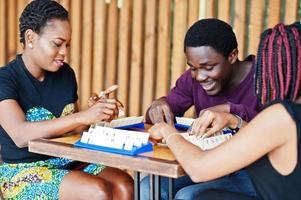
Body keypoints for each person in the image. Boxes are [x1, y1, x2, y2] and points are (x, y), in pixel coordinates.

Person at [149, 22, 301, 200]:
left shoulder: (282, 116)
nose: (199, 76)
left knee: (189, 196)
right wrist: (233, 119)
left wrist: (168, 132)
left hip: (242, 173)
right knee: (155, 187)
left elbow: (199, 169)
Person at [0, 1, 133, 199]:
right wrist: (81, 117)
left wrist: (93, 115)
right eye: (57, 44)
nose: (64, 52)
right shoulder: (6, 78)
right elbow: (20, 135)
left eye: (67, 45)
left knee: (126, 185)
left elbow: (73, 133)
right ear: (30, 37)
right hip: (22, 172)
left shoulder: (66, 74)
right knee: (98, 191)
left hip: (68, 160)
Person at [141, 18, 261, 199]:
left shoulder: (265, 79)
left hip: (253, 172)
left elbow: (276, 129)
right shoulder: (193, 78)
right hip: (207, 164)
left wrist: (231, 111)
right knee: (147, 187)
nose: (200, 77)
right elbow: (159, 116)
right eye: (193, 68)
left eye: (208, 67)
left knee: (188, 196)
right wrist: (158, 105)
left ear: (232, 55)